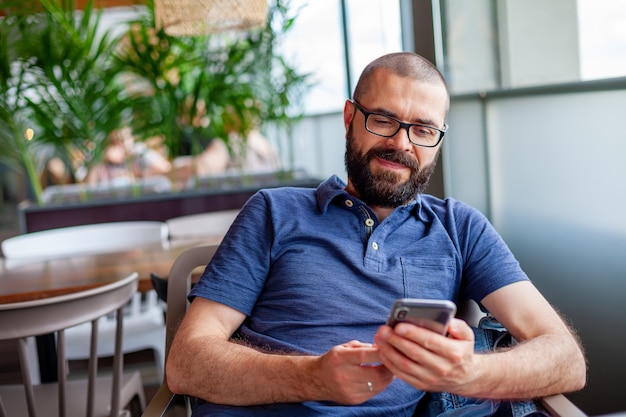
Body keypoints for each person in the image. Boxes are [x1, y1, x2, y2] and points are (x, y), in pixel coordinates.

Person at [166, 52, 586, 416]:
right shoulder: (273, 212)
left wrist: (469, 372)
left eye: (423, 130)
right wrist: (312, 379)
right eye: (384, 120)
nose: (402, 144)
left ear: (438, 141)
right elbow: (185, 364)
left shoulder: (461, 228)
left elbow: (566, 359)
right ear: (351, 119)